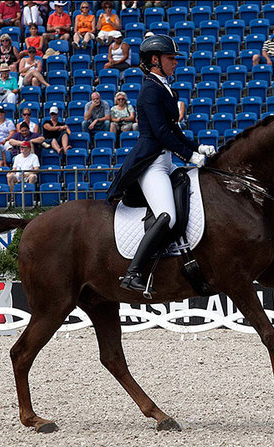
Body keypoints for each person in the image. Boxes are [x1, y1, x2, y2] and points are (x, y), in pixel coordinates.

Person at [106, 34, 214, 294]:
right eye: (170, 58)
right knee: (167, 215)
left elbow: (173, 130)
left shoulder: (165, 87)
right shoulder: (150, 89)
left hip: (166, 161)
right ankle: (132, 273)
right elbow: (161, 133)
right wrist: (189, 157)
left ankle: (189, 262)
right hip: (152, 163)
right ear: (155, 60)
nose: (175, 62)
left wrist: (196, 147)